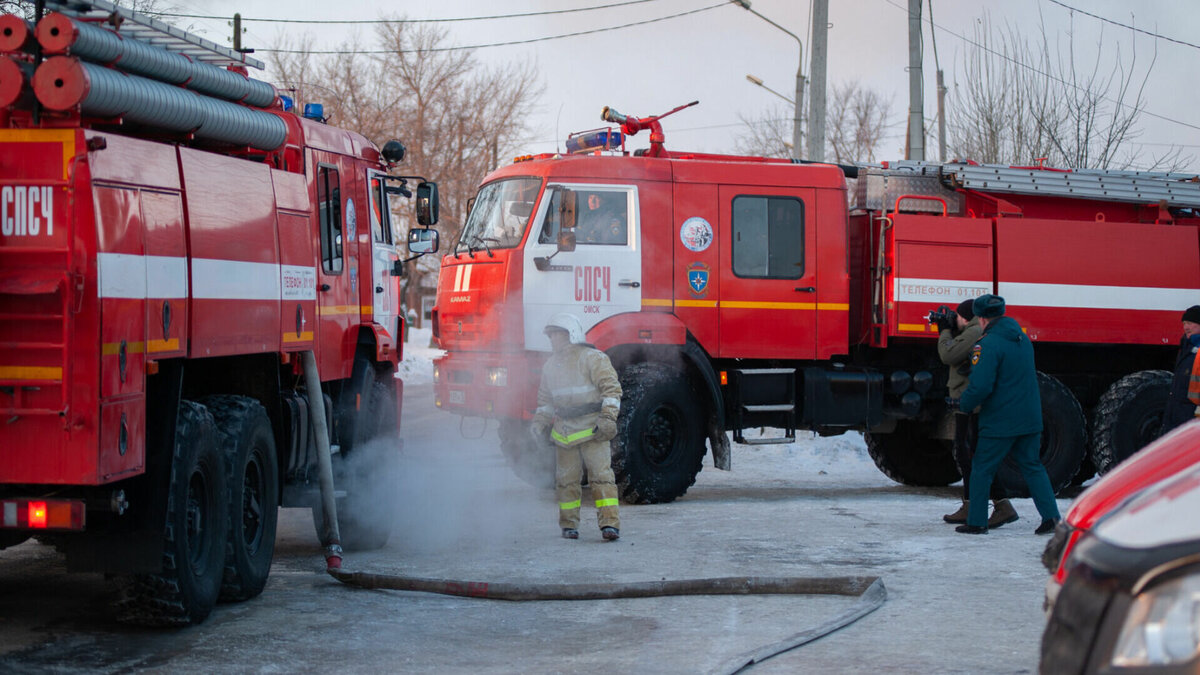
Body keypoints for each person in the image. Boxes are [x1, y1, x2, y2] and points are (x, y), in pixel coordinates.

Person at [955, 294, 1062, 535]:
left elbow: (982, 385)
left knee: (982, 467)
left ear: (981, 318)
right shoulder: (1022, 339)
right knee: (1033, 466)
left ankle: (977, 521)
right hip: (1030, 417)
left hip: (1000, 420)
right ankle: (1051, 518)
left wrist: (965, 402)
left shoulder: (987, 344)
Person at [531, 313, 623, 541]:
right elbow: (546, 402)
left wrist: (608, 418)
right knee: (566, 482)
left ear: (570, 333)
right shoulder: (550, 366)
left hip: (593, 429)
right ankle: (568, 525)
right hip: (563, 433)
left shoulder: (593, 358)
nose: (551, 339)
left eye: (555, 334)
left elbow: (612, 390)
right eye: (550, 335)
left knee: (601, 478)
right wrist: (539, 423)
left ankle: (610, 524)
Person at [936, 299, 1017, 528]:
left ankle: (986, 507)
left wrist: (944, 331)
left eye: (958, 317)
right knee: (969, 452)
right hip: (967, 398)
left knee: (969, 453)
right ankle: (989, 504)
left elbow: (948, 355)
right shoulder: (973, 331)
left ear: (966, 316)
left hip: (969, 399)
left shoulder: (973, 332)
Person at [1161, 305, 1200, 435]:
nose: (1186, 327)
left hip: (1191, 421)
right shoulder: (1185, 349)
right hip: (1176, 419)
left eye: (1189, 323)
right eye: (1184, 323)